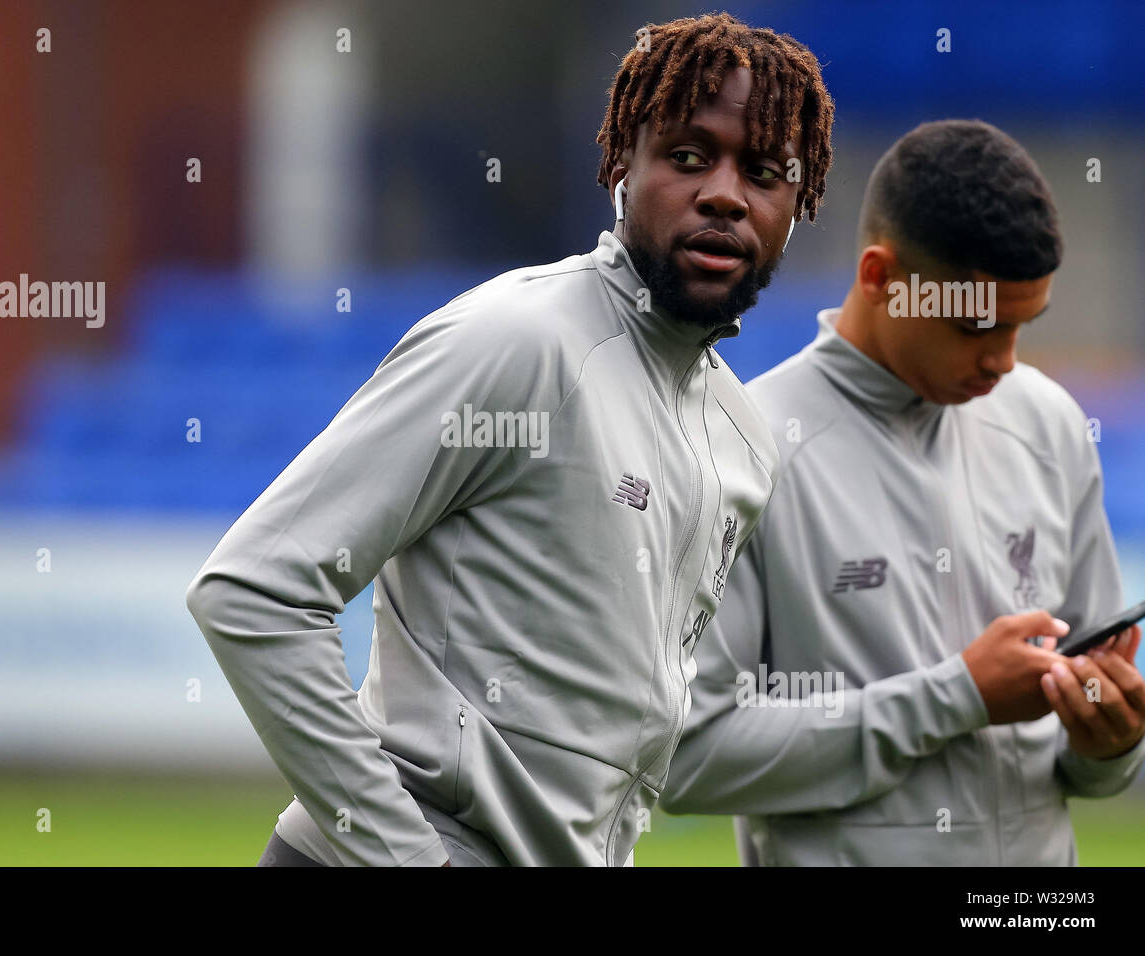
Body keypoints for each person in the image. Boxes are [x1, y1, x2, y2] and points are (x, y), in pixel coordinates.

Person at [185, 13, 834, 866]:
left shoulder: (743, 441)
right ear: (618, 166)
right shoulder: (517, 340)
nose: (723, 193)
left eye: (762, 173)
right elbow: (250, 590)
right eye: (686, 157)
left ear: (801, 202)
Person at [660, 119, 1145, 865]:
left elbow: (1089, 767)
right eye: (972, 326)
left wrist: (1108, 743)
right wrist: (954, 697)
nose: (1003, 362)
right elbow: (686, 757)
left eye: (1023, 325)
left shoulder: (1050, 424)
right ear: (882, 277)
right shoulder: (741, 441)